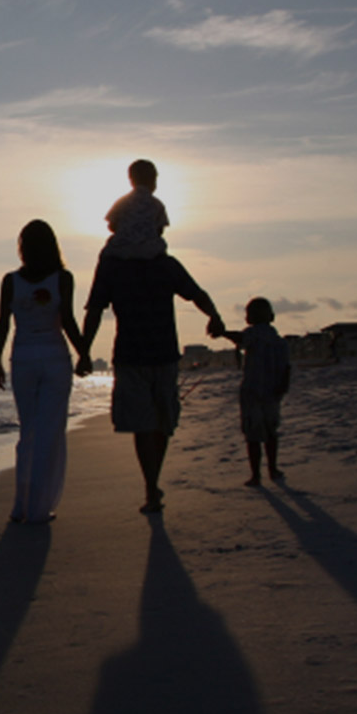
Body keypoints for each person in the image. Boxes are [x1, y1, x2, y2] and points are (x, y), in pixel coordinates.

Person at [76, 162, 225, 513]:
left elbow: (95, 309)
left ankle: (151, 485)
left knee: (147, 426)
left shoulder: (112, 262)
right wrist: (215, 317)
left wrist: (84, 352)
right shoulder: (163, 262)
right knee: (162, 422)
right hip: (162, 353)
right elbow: (196, 293)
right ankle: (152, 484)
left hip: (130, 354)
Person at [0, 219, 89, 524]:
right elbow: (69, 320)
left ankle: (21, 506)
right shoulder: (62, 278)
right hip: (54, 355)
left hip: (22, 357)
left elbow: (3, 323)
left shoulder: (11, 280)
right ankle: (39, 506)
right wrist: (84, 352)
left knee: (29, 432)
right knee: (50, 431)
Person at [221, 298, 291, 486]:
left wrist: (223, 333)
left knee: (253, 436)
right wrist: (283, 388)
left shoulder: (252, 334)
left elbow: (241, 339)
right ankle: (273, 469)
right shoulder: (280, 342)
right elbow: (287, 369)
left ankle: (256, 475)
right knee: (271, 433)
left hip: (252, 391)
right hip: (273, 392)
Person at [100, 159, 169, 260]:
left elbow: (112, 226)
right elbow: (160, 229)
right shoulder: (157, 204)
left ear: (131, 180)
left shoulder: (121, 202)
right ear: (153, 180)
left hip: (120, 250)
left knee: (104, 260)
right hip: (150, 251)